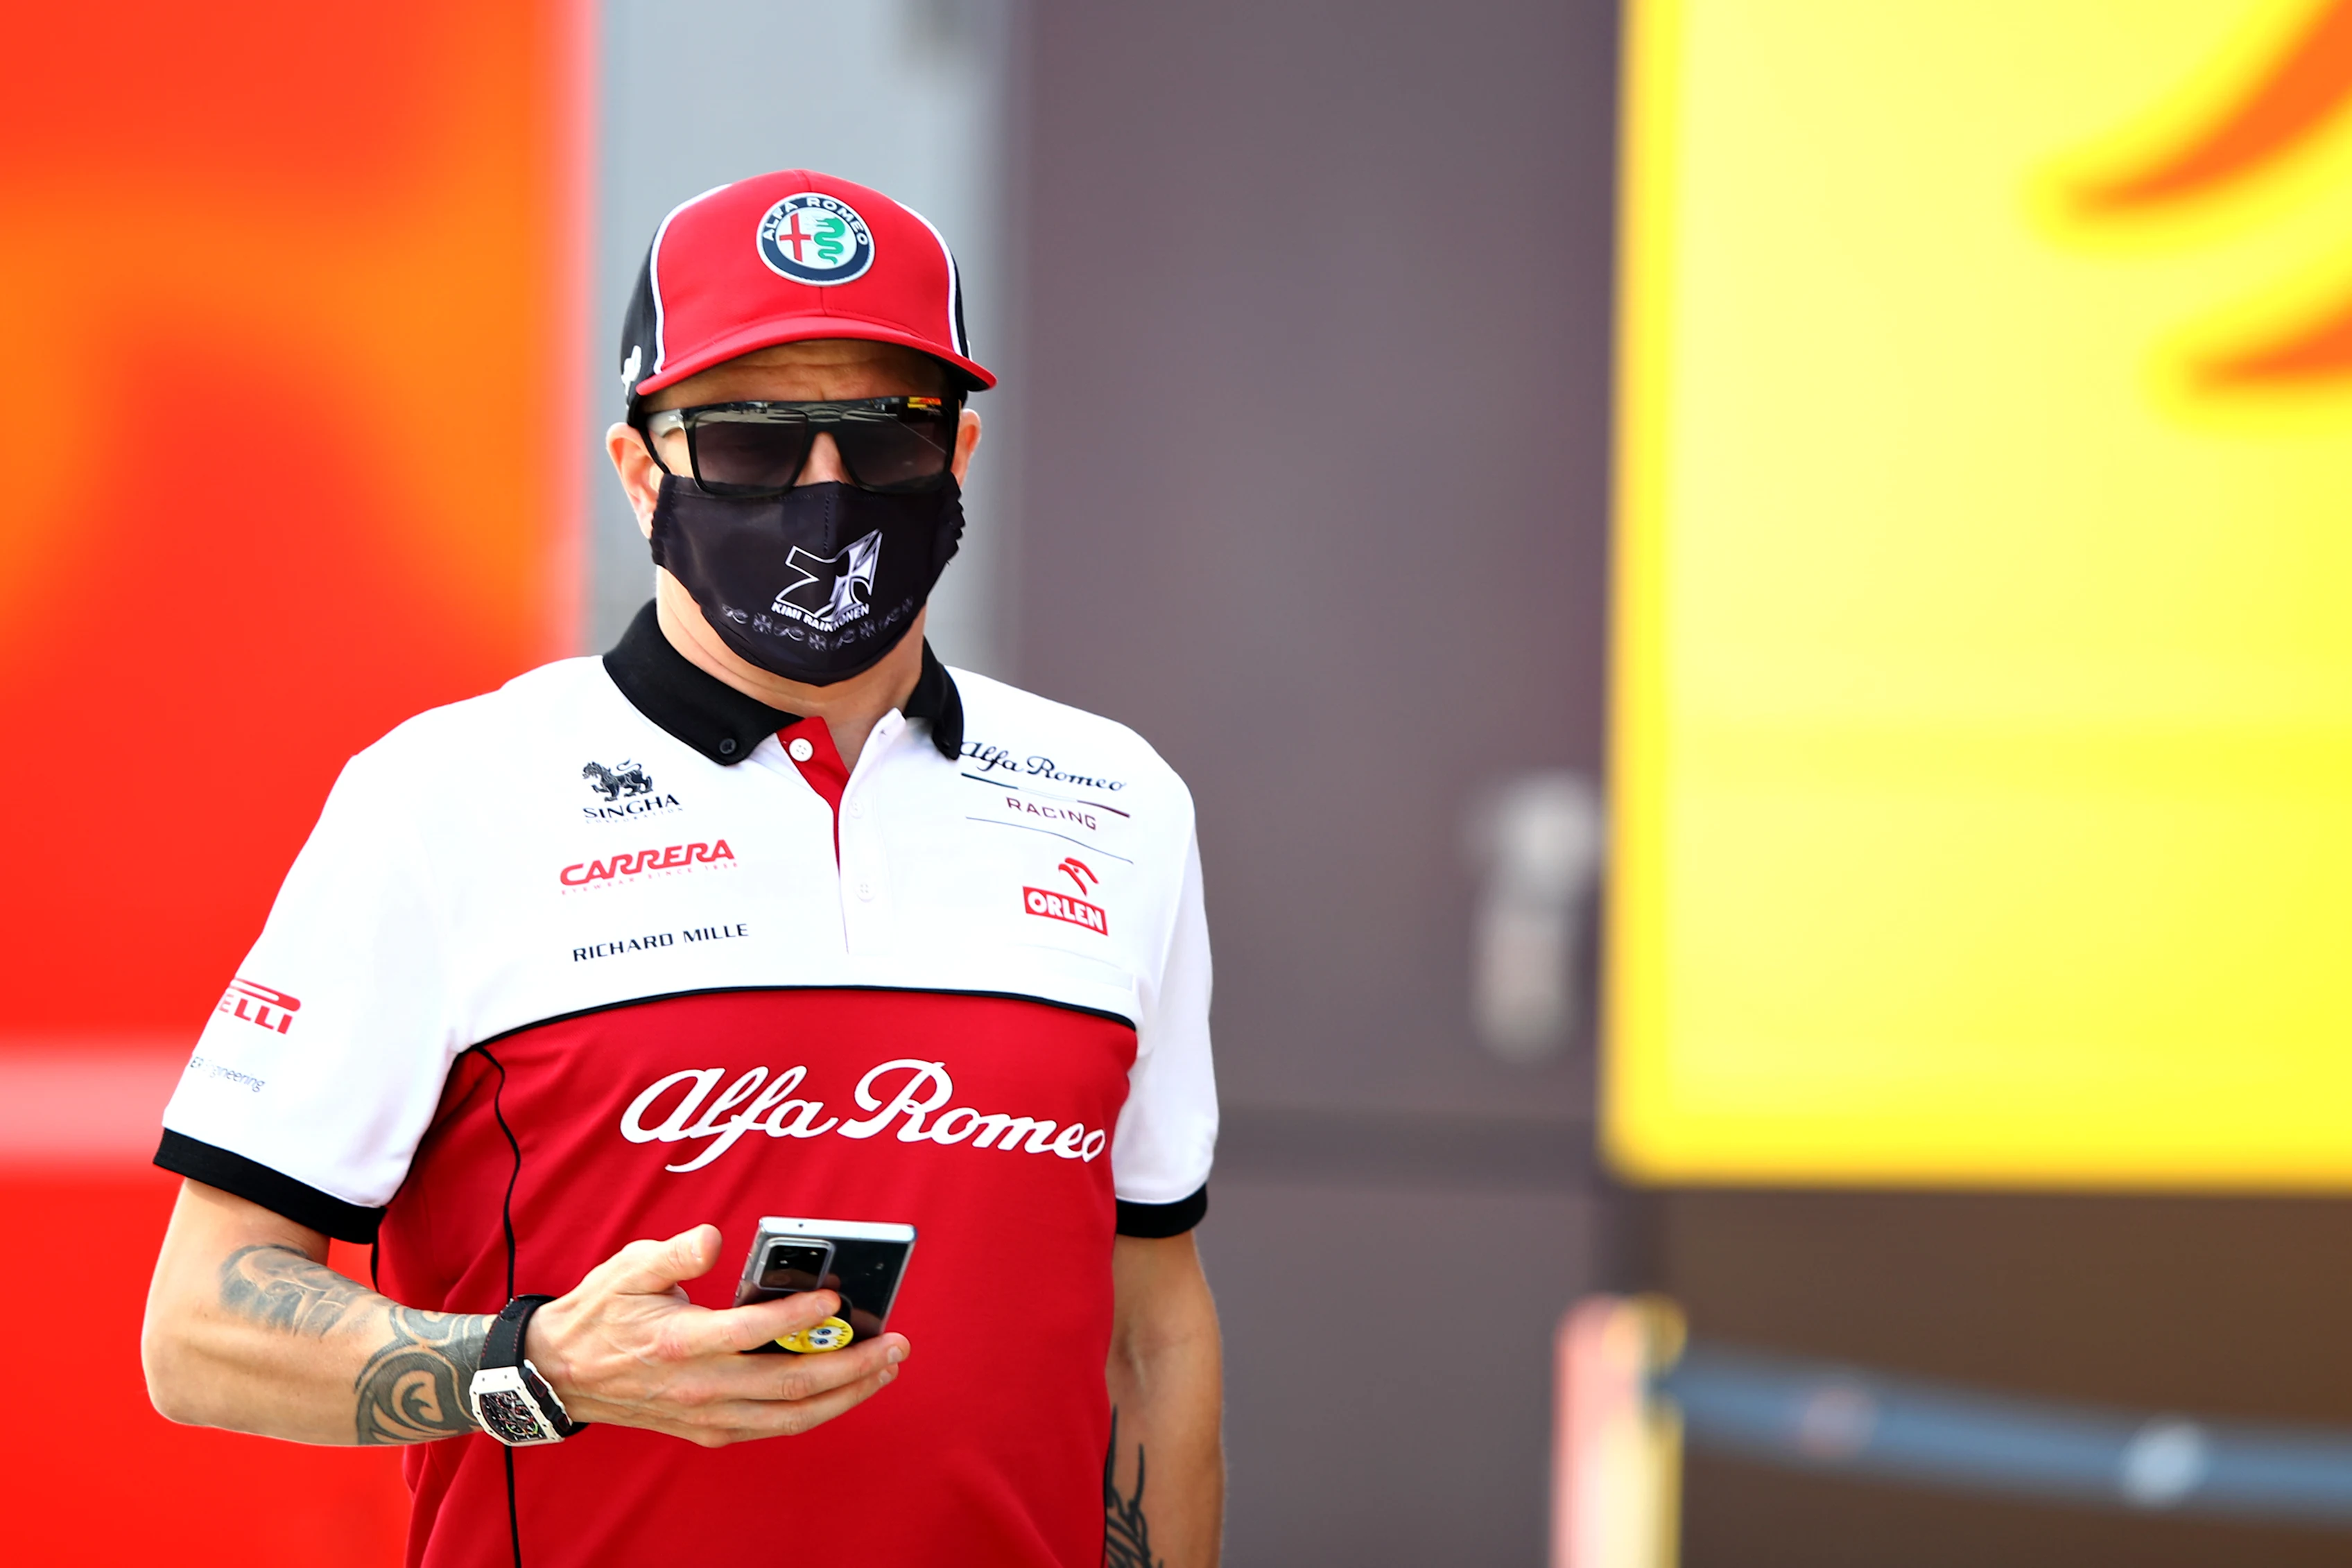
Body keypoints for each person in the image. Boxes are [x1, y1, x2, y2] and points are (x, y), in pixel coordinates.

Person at [141, 169, 1222, 1568]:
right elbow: (200, 1331)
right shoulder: (444, 795)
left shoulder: (1118, 803)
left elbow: (1154, 1335)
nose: (826, 493)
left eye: (885, 438)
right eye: (753, 446)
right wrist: (534, 1368)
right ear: (639, 467)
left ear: (956, 460)